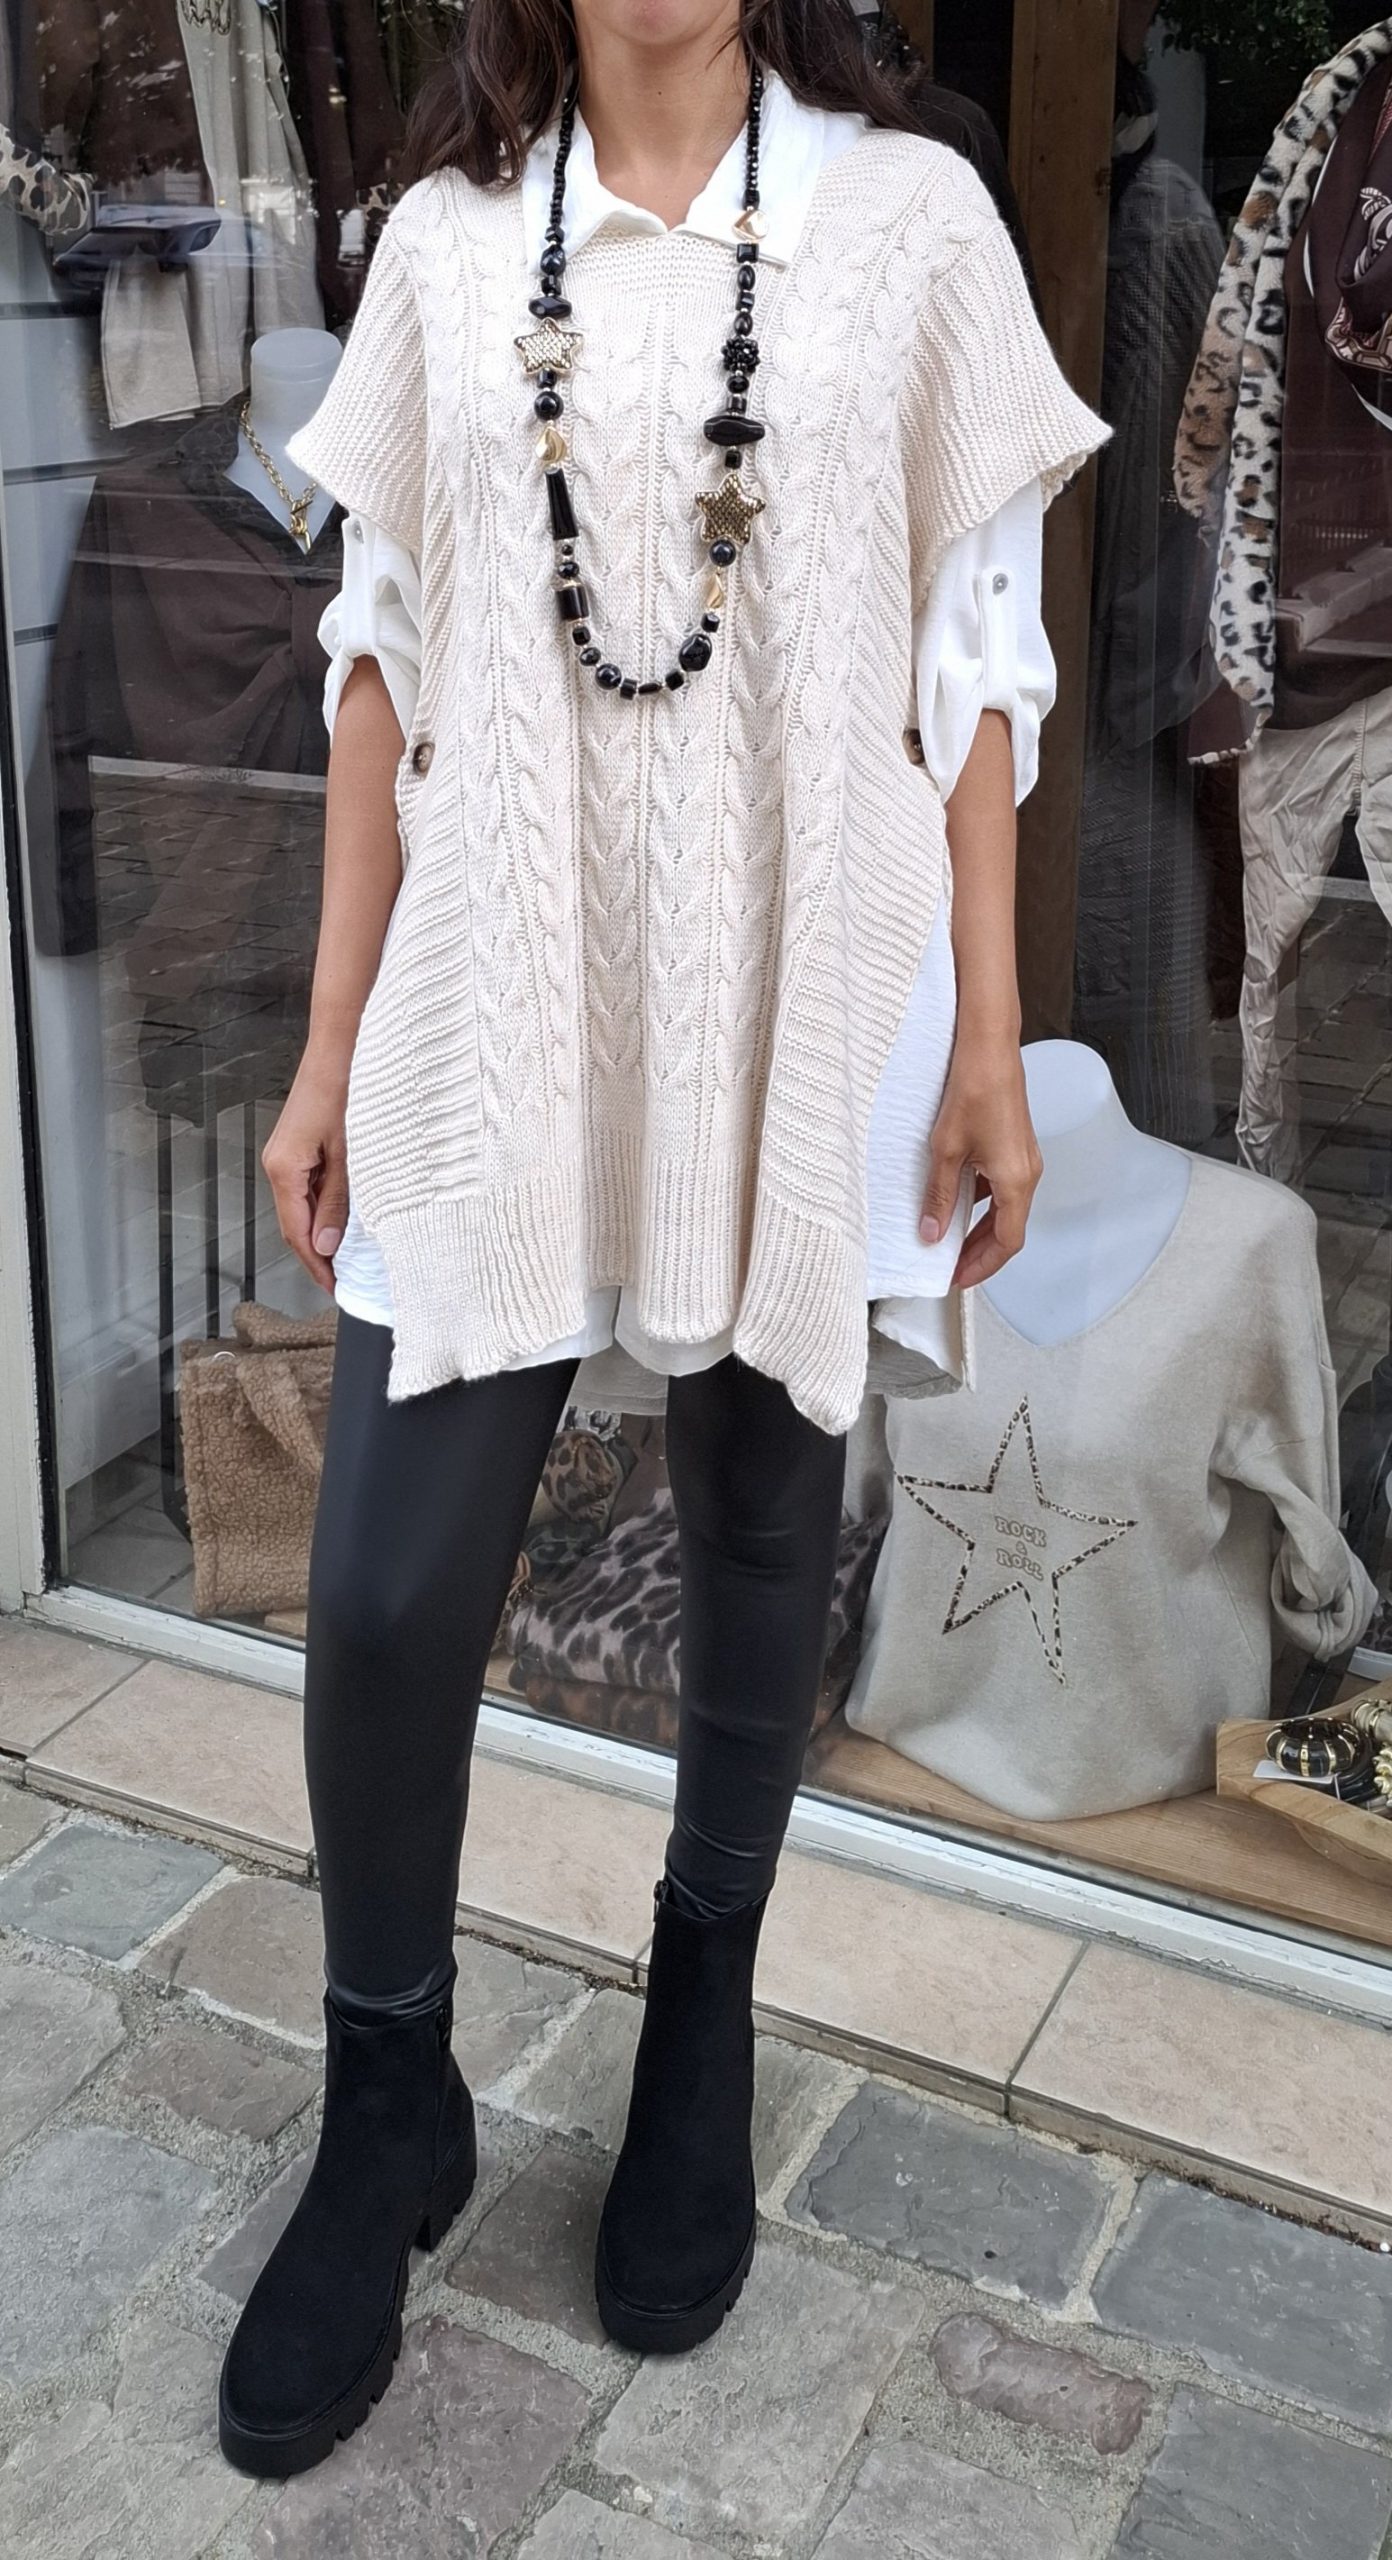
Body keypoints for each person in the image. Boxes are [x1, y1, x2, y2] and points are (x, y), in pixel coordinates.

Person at [216, 0, 1107, 2481]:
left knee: (755, 1503)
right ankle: (387, 2092)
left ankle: (699, 2007)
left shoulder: (905, 226)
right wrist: (326, 1044)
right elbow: (380, 660)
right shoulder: (443, 244)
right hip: (498, 980)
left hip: (794, 976)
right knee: (388, 1575)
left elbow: (976, 666)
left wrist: (992, 1030)